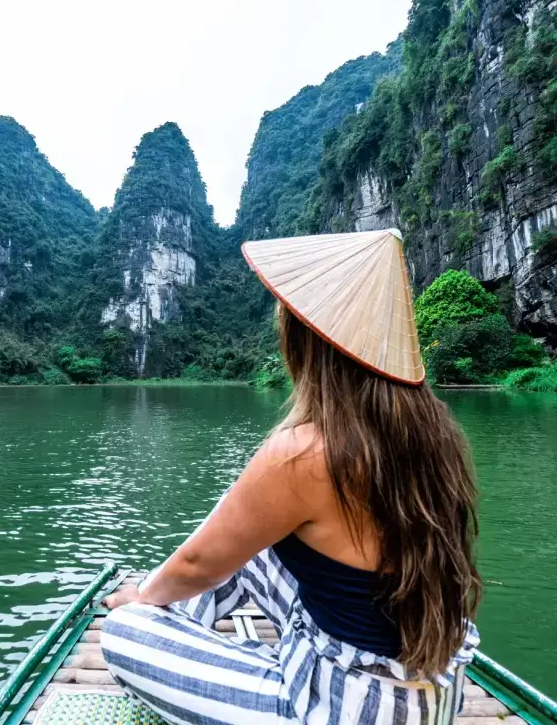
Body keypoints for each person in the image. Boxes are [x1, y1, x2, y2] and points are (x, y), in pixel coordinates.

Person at [101, 230, 481, 725]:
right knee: (249, 546)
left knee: (124, 629)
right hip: (433, 695)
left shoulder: (306, 452)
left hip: (350, 709)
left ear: (306, 341)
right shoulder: (438, 431)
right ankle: (178, 622)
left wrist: (142, 600)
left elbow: (198, 563)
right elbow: (219, 554)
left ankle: (163, 622)